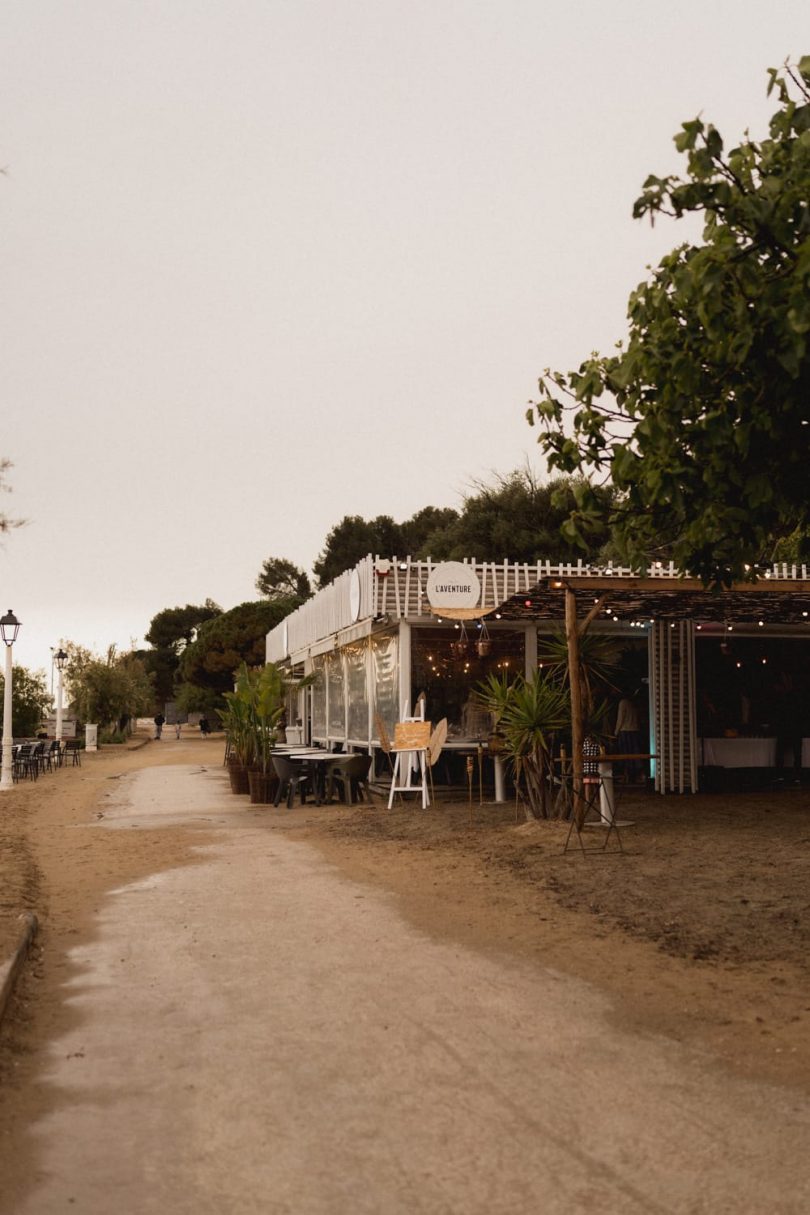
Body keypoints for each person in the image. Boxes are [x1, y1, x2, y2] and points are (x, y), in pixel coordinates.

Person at [614, 692, 643, 783]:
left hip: (625, 731)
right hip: (635, 730)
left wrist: (616, 731)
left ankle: (626, 776)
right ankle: (636, 776)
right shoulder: (634, 703)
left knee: (624, 754)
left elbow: (620, 718)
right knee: (635, 754)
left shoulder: (623, 703)